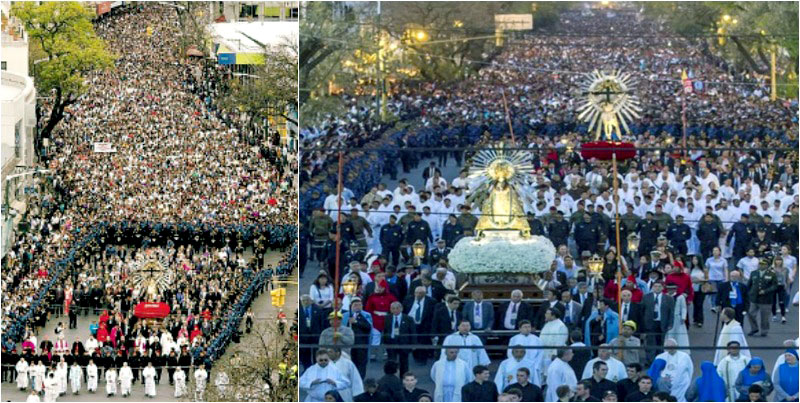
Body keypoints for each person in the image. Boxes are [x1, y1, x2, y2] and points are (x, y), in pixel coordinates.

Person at [746, 259, 778, 337]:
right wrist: (748, 294)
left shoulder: (772, 274)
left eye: (763, 264)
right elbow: (749, 284)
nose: (761, 265)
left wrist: (766, 291)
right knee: (750, 313)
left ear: (767, 265)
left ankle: (764, 330)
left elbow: (775, 286)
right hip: (754, 298)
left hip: (766, 299)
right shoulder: (753, 273)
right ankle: (754, 328)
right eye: (760, 264)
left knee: (765, 317)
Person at [383, 301, 416, 376]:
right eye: (393, 308)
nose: (395, 310)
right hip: (391, 342)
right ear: (390, 309)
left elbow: (413, 332)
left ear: (401, 309)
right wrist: (384, 342)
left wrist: (413, 344)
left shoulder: (408, 318)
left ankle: (404, 377)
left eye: (397, 308)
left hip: (404, 343)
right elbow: (385, 330)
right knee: (391, 361)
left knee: (404, 362)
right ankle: (391, 376)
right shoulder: (387, 318)